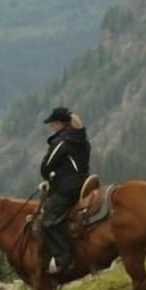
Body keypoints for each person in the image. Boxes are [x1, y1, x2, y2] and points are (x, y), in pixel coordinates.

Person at [39, 106, 90, 274]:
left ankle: (64, 258)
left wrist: (50, 177)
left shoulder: (62, 141)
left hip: (67, 188)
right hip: (82, 182)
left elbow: (46, 167)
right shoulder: (82, 139)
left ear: (60, 123)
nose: (52, 127)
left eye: (53, 124)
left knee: (48, 221)